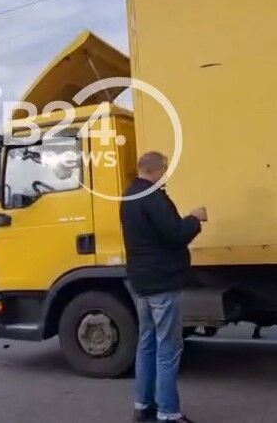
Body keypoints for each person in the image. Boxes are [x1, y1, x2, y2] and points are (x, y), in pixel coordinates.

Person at [121, 151, 207, 423]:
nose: (166, 176)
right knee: (168, 348)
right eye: (165, 171)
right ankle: (168, 412)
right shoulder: (153, 197)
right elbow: (175, 234)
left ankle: (142, 405)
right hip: (162, 282)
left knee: (146, 345)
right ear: (158, 170)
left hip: (142, 283)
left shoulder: (129, 196)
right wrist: (195, 218)